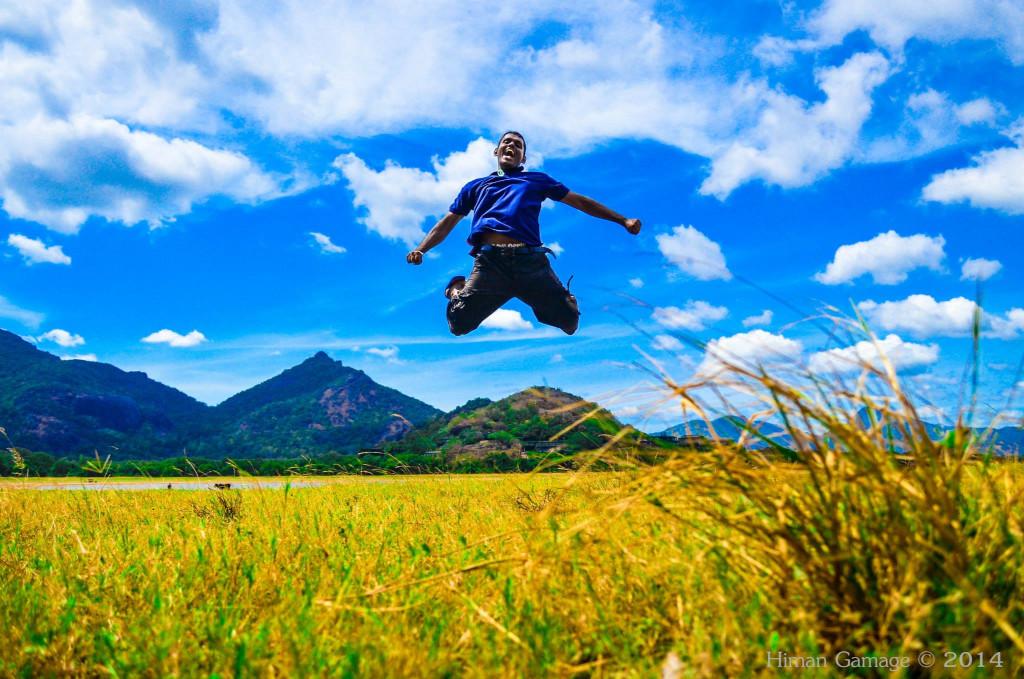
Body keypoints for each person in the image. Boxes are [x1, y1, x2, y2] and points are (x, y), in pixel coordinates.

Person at [406, 131, 641, 336]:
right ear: (497, 151)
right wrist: (421, 248)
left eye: (518, 145)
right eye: (507, 142)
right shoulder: (476, 186)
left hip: (531, 263)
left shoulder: (536, 181)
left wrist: (622, 220)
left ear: (524, 157)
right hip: (490, 264)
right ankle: (456, 289)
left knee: (569, 322)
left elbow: (580, 202)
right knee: (458, 325)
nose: (511, 146)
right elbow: (447, 222)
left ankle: (561, 300)